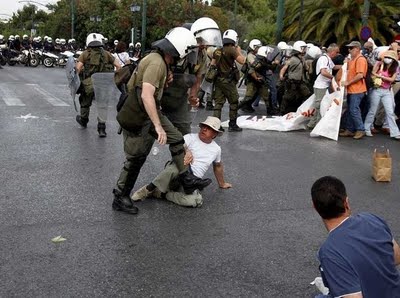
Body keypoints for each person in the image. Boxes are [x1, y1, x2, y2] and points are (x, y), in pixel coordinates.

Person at [113, 27, 211, 214]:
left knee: (177, 138)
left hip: (151, 111)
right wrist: (158, 127)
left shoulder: (163, 63)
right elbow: (147, 96)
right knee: (136, 157)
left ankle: (187, 178)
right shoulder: (156, 63)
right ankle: (120, 196)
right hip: (139, 114)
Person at [311, 176, 400, 298]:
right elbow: (396, 257)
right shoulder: (372, 220)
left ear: (315, 208)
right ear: (346, 202)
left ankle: (335, 289)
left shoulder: (329, 252)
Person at [131, 116, 231, 207]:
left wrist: (222, 183)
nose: (204, 129)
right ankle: (148, 189)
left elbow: (217, 166)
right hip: (178, 172)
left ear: (215, 134)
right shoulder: (190, 137)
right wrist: (187, 151)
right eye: (204, 126)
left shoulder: (216, 149)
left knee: (195, 201)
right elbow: (178, 145)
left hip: (191, 181)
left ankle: (162, 194)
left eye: (209, 128)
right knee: (177, 166)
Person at [75, 32, 121, 137]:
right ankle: (101, 128)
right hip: (103, 83)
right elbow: (118, 66)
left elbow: (77, 68)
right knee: (102, 105)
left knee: (85, 102)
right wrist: (113, 78)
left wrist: (78, 80)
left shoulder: (85, 54)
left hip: (89, 84)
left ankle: (83, 120)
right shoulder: (107, 54)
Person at [211, 29, 246, 132]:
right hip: (228, 81)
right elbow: (242, 61)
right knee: (234, 101)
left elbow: (212, 64)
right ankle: (232, 124)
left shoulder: (217, 50)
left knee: (218, 103)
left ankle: (215, 125)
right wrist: (239, 51)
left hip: (218, 79)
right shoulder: (232, 49)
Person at [364, 50, 400, 140]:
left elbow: (392, 79)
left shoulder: (395, 68)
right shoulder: (380, 64)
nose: (388, 59)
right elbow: (373, 73)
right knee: (372, 110)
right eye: (387, 57)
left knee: (390, 112)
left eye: (390, 58)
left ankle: (395, 133)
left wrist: (380, 77)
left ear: (393, 60)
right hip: (377, 90)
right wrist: (376, 77)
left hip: (387, 91)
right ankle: (366, 128)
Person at [340, 41, 368, 139]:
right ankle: (349, 129)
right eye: (349, 48)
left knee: (353, 110)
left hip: (357, 90)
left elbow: (360, 75)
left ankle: (360, 129)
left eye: (351, 48)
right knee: (350, 110)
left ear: (357, 48)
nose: (349, 50)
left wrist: (348, 83)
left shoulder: (360, 59)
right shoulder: (353, 59)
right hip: (353, 90)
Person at [307, 44, 340, 129]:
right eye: (336, 52)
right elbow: (323, 72)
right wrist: (334, 78)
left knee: (318, 104)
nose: (337, 54)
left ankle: (313, 123)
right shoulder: (323, 59)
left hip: (324, 85)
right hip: (321, 85)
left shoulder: (328, 59)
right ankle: (315, 123)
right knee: (319, 105)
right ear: (332, 52)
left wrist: (345, 65)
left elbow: (334, 67)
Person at [279, 40, 312, 114]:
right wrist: (281, 76)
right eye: (303, 48)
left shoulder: (302, 59)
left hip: (301, 82)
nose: (304, 50)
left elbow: (306, 68)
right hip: (292, 82)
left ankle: (300, 111)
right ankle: (282, 111)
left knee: (306, 95)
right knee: (288, 97)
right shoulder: (292, 59)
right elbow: (284, 68)